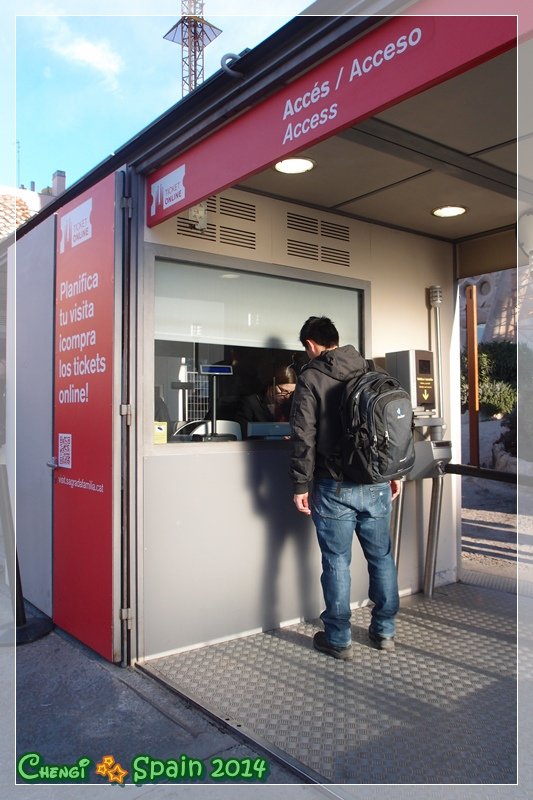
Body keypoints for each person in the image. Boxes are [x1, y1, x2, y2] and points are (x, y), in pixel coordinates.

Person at [289, 316, 400, 660]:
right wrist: (392, 471)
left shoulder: (311, 376)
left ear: (311, 344)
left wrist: (300, 484)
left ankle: (339, 639)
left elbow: (303, 436)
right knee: (381, 558)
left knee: (337, 561)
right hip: (377, 481)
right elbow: (389, 430)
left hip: (334, 483)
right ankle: (384, 631)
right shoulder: (372, 369)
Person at [236, 364, 296, 439]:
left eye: (291, 392)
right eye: (283, 391)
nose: (287, 396)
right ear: (271, 385)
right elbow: (243, 433)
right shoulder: (251, 403)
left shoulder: (290, 404)